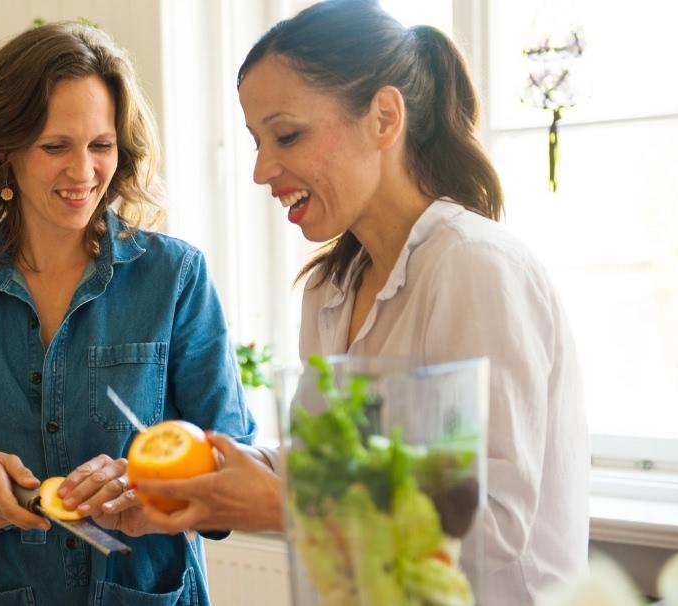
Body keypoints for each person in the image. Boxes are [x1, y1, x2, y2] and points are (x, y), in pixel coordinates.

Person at [133, 1, 589, 603]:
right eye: (256, 141)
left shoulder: (475, 266)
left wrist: (286, 503)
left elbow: (492, 521)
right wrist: (201, 476)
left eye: (287, 135)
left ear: (383, 117)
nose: (262, 170)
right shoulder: (329, 288)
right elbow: (336, 464)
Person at [0, 21, 255, 606]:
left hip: (145, 589)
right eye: (55, 146)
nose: (83, 172)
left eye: (100, 145)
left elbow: (232, 468)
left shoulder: (176, 276)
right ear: (4, 150)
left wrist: (143, 487)